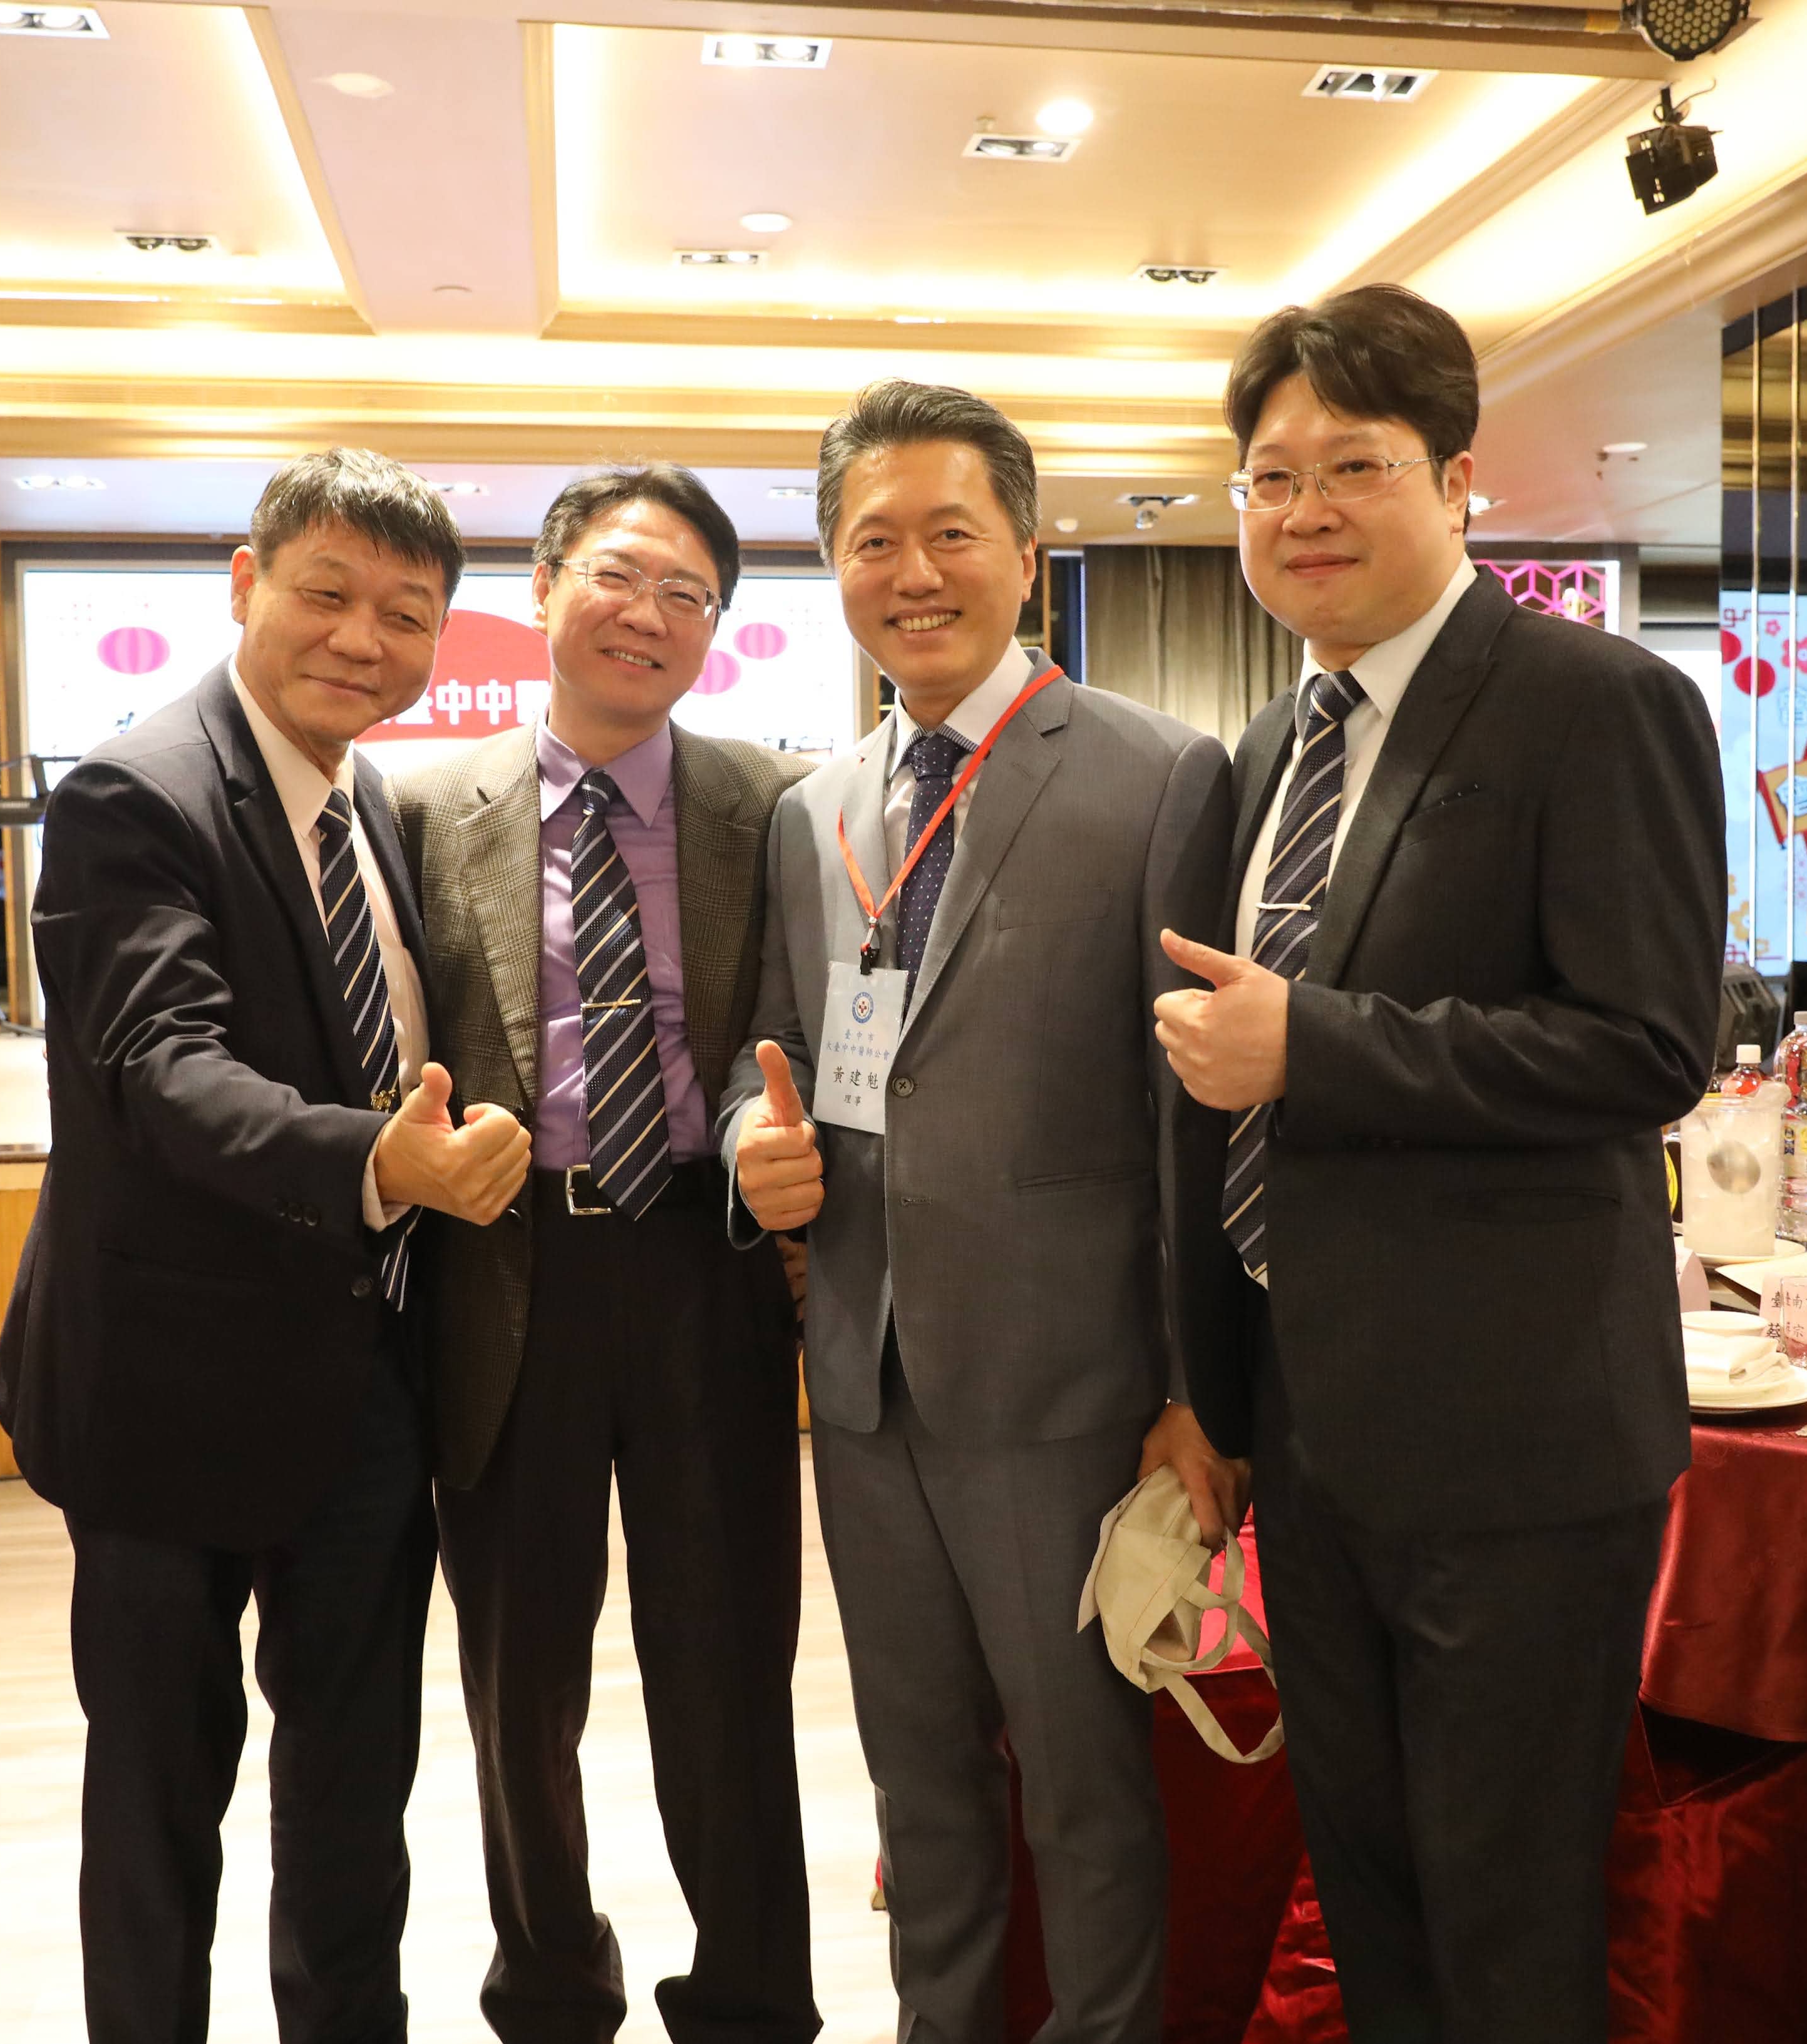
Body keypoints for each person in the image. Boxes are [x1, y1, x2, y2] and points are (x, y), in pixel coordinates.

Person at [1153, 284, 1722, 2044]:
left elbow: (1647, 1046)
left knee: (1506, 1919)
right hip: (1314, 1434)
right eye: (1270, 478)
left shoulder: (1594, 701)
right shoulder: (1268, 750)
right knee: (1372, 1896)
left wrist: (1316, 1047)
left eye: (1354, 466)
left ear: (1459, 479)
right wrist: (1216, 1398)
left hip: (1515, 1444)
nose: (1304, 510)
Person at [0, 448, 534, 2044]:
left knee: (355, 1796)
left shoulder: (371, 804)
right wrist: (376, 1160)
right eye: (328, 593)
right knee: (161, 1808)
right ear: (247, 582)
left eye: (406, 614)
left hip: (365, 1386)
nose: (363, 639)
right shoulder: (135, 793)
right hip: (168, 1396)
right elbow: (163, 1071)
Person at [719, 379, 1237, 2044]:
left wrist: (1196, 1390)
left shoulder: (1159, 775)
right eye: (874, 540)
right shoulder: (813, 808)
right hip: (865, 1383)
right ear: (833, 567)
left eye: (952, 532)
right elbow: (774, 1050)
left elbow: (1198, 1116)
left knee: (1086, 1794)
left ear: (1026, 549)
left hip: (1069, 1389)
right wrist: (749, 1145)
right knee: (919, 1783)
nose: (915, 572)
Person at [396, 465, 818, 2044]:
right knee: (520, 1677)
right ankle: (550, 1985)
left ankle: (754, 1997)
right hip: (511, 1273)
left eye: (687, 593)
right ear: (545, 584)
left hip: (708, 1265)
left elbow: (802, 1023)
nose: (648, 615)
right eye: (620, 576)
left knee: (729, 1667)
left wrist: (781, 1152)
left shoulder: (775, 804)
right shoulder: (419, 806)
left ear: (717, 628)